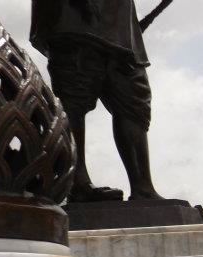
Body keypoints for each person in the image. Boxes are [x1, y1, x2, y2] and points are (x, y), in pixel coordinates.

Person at [30, 0, 163, 202]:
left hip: (121, 28)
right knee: (74, 98)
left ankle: (143, 188)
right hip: (73, 18)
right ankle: (77, 182)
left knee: (134, 102)